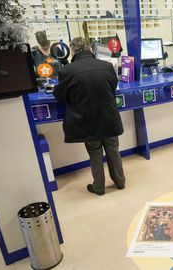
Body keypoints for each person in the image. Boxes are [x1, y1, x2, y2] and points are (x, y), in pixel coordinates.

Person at [53, 37, 125, 196]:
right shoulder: (107, 66)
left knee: (94, 152)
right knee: (113, 149)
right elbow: (113, 87)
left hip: (87, 120)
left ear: (72, 51)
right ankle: (120, 182)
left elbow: (60, 96)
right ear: (90, 49)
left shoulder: (67, 71)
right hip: (109, 118)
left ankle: (99, 187)